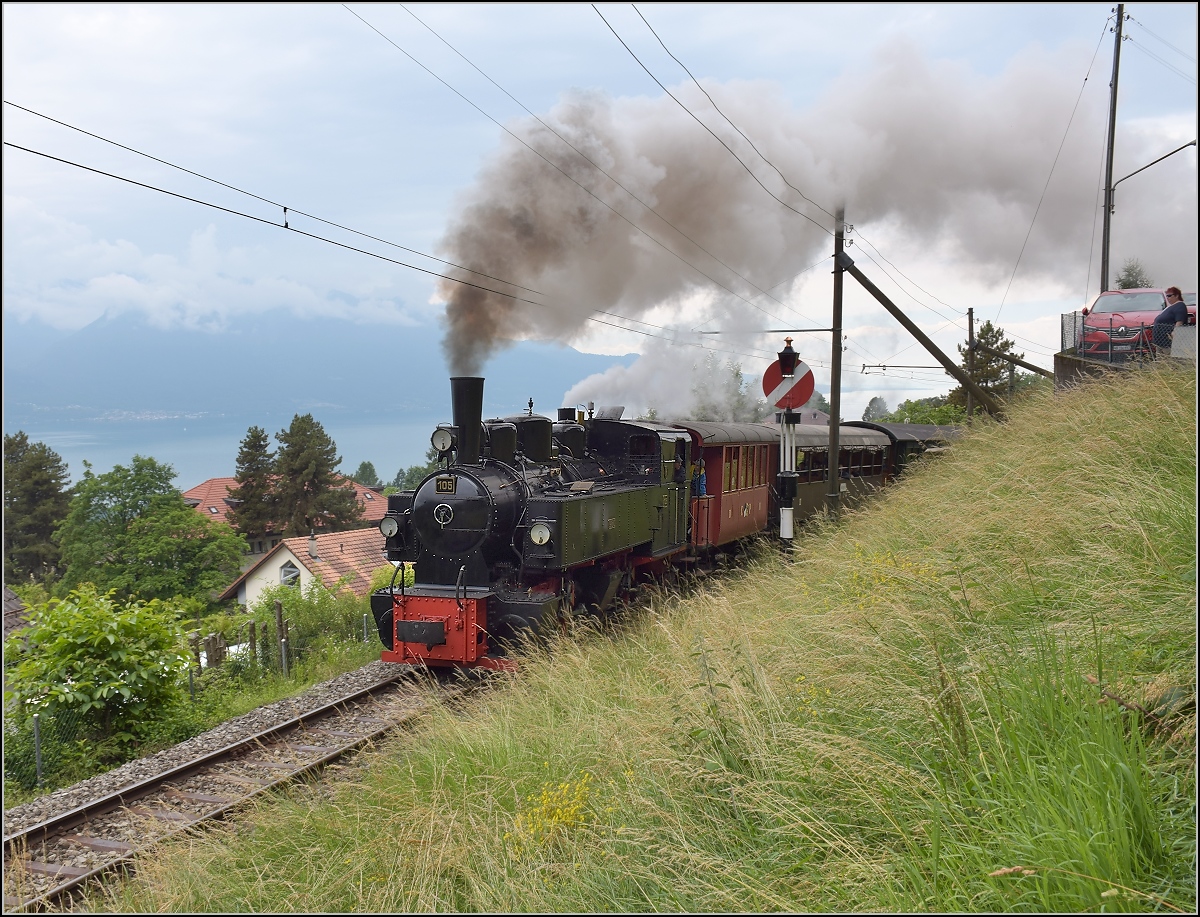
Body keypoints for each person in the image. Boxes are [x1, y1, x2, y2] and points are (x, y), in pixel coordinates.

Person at [1152, 287, 1190, 354]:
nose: (1168, 298)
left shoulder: (1180, 305)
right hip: (1160, 341)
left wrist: (1175, 331)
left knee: (1168, 359)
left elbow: (1180, 321)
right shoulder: (1170, 306)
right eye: (1167, 296)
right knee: (1160, 360)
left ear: (1177, 295)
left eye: (1170, 296)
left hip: (1167, 341)